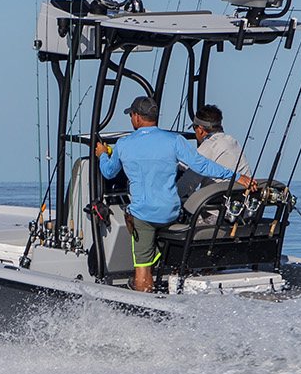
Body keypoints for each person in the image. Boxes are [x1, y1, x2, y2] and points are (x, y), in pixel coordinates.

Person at [95, 96, 258, 293]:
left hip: (143, 216)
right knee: (170, 219)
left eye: (131, 115)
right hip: (170, 213)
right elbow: (201, 165)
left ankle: (145, 307)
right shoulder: (175, 140)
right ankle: (161, 258)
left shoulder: (122, 144)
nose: (131, 119)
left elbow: (109, 172)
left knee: (142, 268)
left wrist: (103, 154)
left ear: (137, 117)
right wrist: (235, 176)